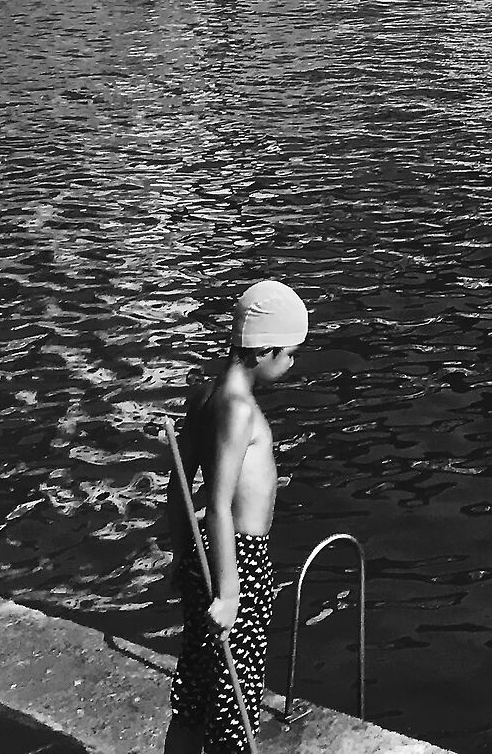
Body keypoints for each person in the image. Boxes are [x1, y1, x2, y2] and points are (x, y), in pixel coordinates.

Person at [165, 279, 309, 754]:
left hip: (205, 558)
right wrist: (229, 594)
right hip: (238, 562)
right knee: (233, 711)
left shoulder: (205, 394)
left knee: (195, 695)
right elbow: (217, 504)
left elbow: (178, 488)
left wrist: (181, 556)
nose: (292, 363)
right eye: (288, 353)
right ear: (263, 352)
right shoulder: (239, 408)